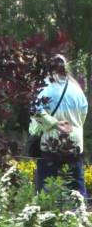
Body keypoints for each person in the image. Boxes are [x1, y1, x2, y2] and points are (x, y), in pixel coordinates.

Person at [29, 54, 88, 197]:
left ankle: (46, 209)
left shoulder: (45, 88)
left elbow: (35, 110)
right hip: (74, 142)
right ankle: (80, 208)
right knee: (76, 183)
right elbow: (83, 114)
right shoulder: (77, 89)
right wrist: (73, 127)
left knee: (47, 184)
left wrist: (54, 124)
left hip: (51, 142)